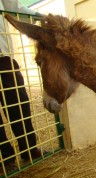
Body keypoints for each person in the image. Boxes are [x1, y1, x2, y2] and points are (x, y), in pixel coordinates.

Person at [0, 0, 46, 169]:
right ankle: (5, 158)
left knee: (19, 104)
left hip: (4, 57)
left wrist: (42, 17)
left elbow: (14, 7)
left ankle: (29, 149)